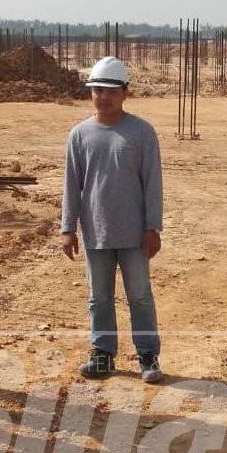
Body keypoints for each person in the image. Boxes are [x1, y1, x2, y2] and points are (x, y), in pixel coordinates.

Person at [61, 56, 164, 383]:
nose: (103, 97)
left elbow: (153, 183)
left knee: (140, 296)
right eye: (97, 90)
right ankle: (102, 353)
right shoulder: (79, 135)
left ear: (124, 93)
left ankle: (147, 355)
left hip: (134, 234)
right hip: (96, 232)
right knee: (99, 297)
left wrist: (153, 227)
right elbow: (72, 184)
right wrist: (67, 227)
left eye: (111, 91)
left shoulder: (142, 132)